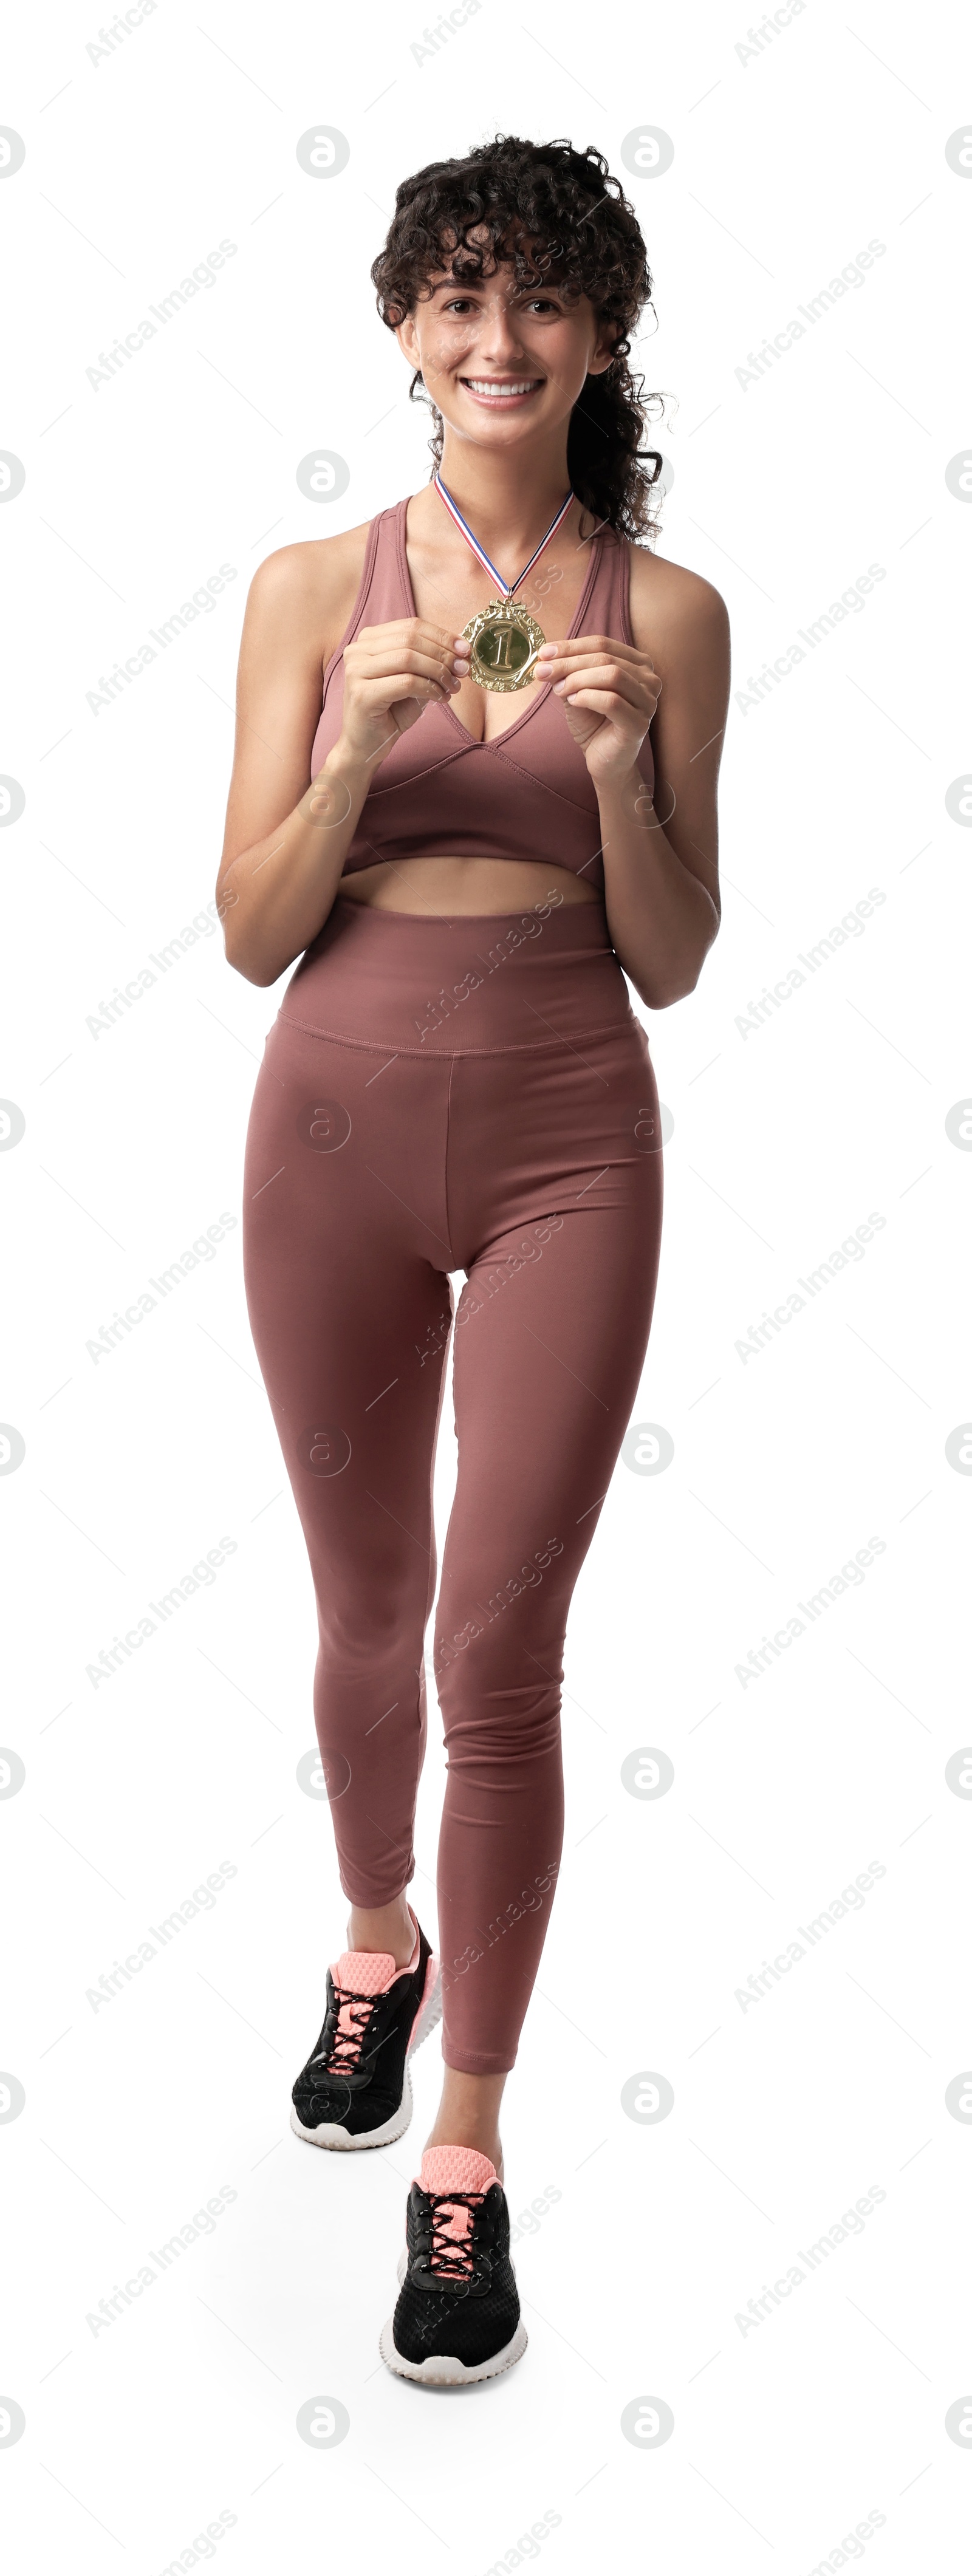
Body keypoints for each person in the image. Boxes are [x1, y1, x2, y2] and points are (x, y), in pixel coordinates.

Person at [216, 133, 729, 2385]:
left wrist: (617, 778)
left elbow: (680, 957)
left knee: (500, 1646)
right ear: (404, 329)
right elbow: (246, 932)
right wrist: (351, 745)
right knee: (366, 1613)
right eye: (458, 299)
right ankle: (371, 1932)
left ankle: (470, 2147)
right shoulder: (311, 586)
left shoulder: (671, 610)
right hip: (327, 1115)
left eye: (539, 304)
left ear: (601, 334)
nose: (496, 343)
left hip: (562, 1136)